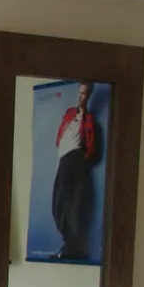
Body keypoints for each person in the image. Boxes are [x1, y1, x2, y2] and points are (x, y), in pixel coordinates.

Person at [50, 81, 98, 260]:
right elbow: (60, 136)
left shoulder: (89, 119)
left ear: (89, 96)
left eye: (84, 94)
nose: (80, 96)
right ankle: (70, 245)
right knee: (58, 203)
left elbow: (92, 146)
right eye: (79, 93)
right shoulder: (69, 113)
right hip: (63, 159)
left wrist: (82, 158)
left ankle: (72, 247)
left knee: (72, 203)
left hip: (74, 159)